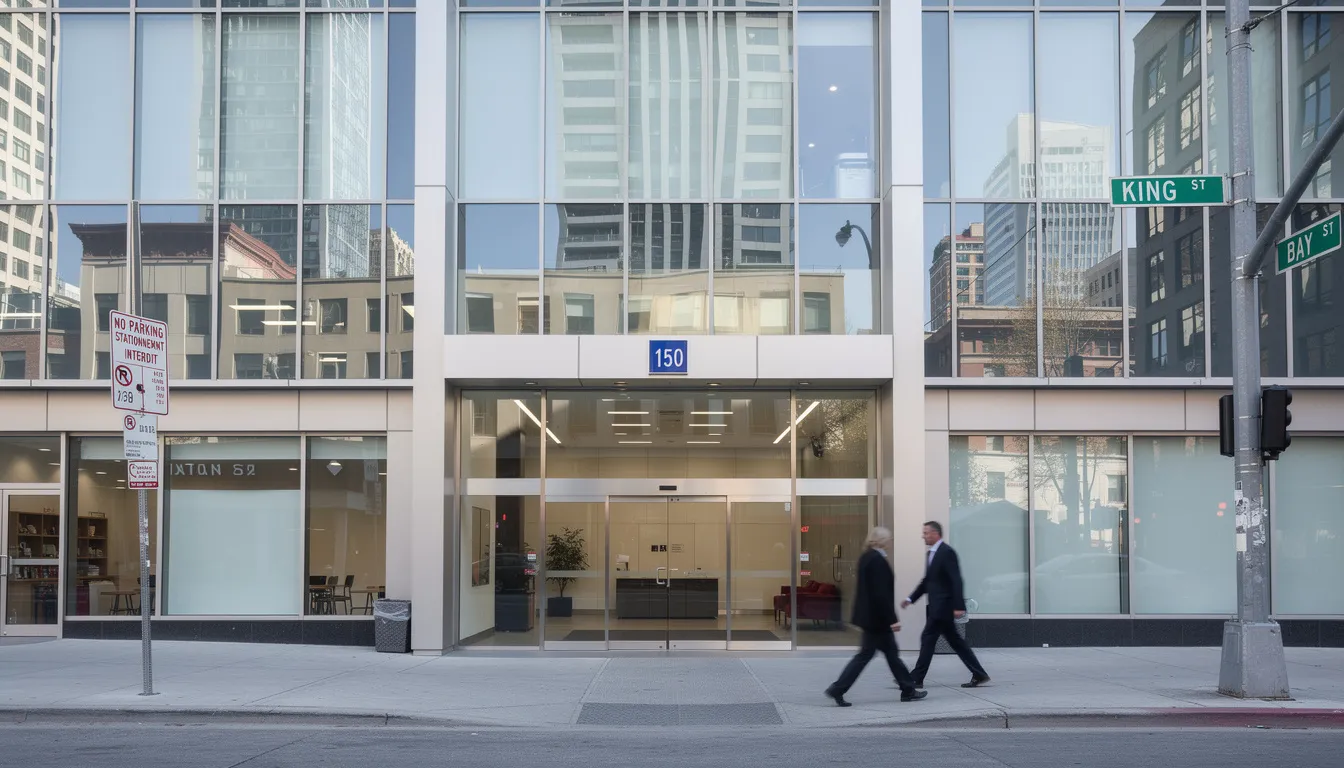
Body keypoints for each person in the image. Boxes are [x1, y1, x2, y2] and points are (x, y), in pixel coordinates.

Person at [825, 526, 928, 707]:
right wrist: (892, 619)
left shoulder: (867, 557)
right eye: (889, 538)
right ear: (881, 540)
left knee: (888, 655)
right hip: (877, 620)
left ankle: (907, 689)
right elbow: (881, 594)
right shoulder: (877, 560)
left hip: (871, 618)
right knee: (869, 656)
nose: (891, 541)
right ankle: (838, 688)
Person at [901, 521, 991, 688]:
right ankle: (979, 673)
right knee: (954, 641)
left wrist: (958, 606)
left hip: (944, 607)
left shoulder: (947, 552)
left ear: (935, 534)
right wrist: (911, 598)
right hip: (938, 607)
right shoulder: (931, 554)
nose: (923, 536)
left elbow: (956, 580)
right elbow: (927, 582)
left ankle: (917, 678)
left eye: (926, 533)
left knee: (929, 639)